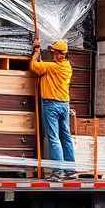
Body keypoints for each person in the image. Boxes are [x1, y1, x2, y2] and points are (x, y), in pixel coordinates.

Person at [30, 38, 75, 179]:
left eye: (55, 53)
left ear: (62, 54)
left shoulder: (53, 67)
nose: (53, 55)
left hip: (52, 105)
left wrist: (36, 52)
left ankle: (58, 172)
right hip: (64, 105)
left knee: (54, 138)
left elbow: (34, 67)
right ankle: (71, 171)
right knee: (66, 137)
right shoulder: (67, 67)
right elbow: (45, 68)